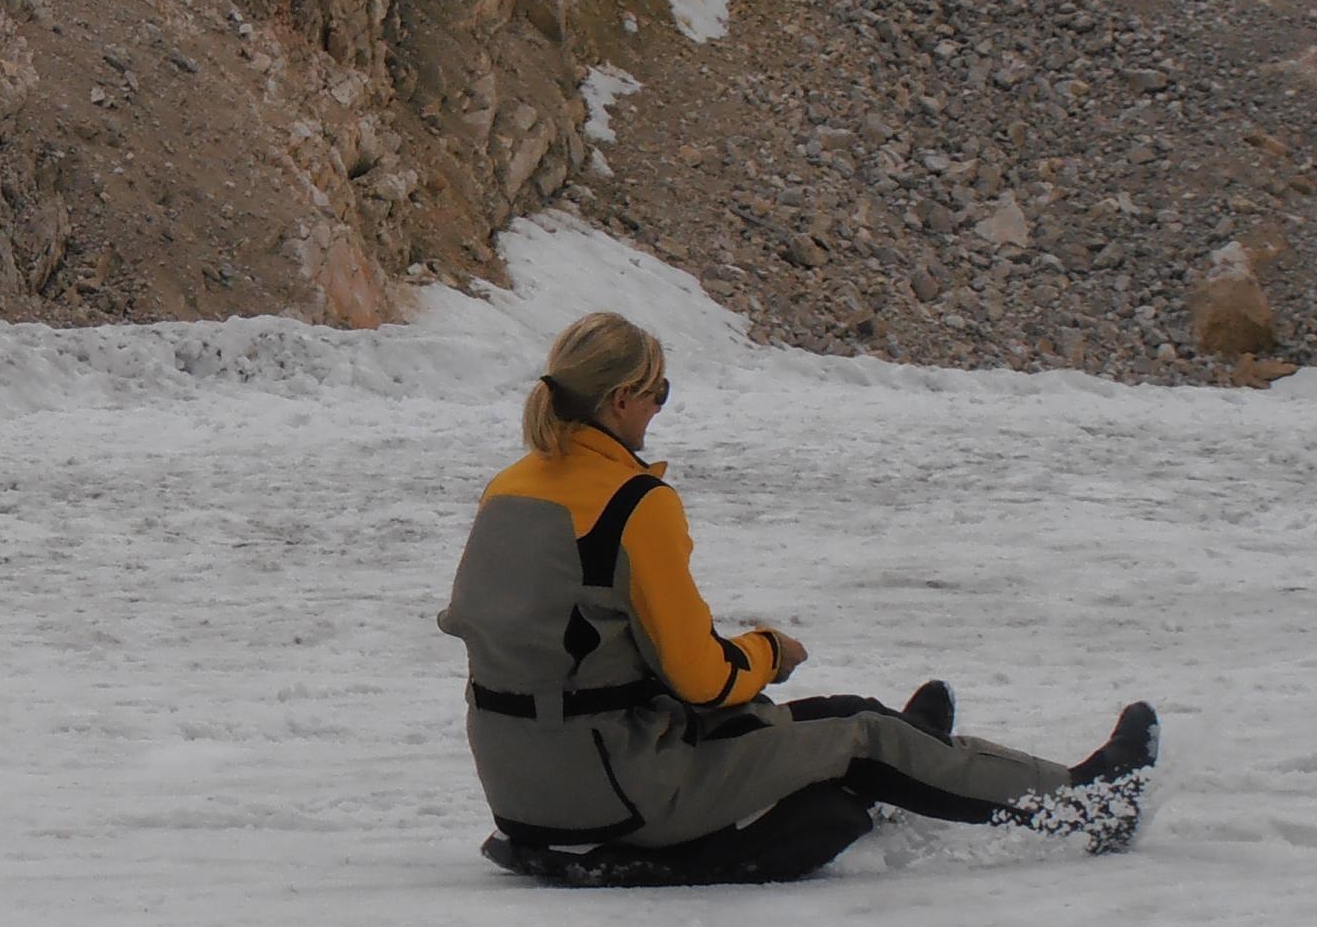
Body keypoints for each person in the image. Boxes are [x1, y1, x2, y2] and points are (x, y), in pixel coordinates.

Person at [439, 311, 1158, 885]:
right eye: (659, 393)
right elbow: (698, 677)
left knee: (825, 718)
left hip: (525, 787)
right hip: (618, 791)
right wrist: (769, 652)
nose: (659, 408)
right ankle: (1086, 802)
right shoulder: (633, 502)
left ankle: (921, 754)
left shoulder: (510, 488)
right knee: (861, 736)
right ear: (621, 398)